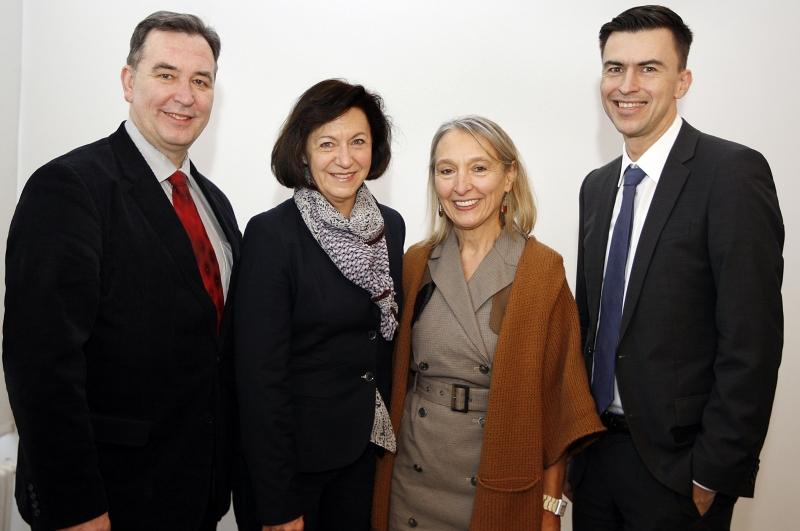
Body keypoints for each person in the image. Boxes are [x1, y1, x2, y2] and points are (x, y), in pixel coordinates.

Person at [2, 11, 240, 531]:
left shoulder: (215, 205)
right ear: (129, 82)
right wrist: (78, 510)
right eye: (165, 74)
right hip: (107, 502)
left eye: (201, 81)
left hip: (195, 494)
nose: (185, 95)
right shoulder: (69, 188)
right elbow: (40, 367)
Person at [570, 5, 784, 531]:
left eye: (650, 68)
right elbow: (591, 325)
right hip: (595, 459)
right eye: (615, 68)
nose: (628, 85)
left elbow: (751, 341)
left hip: (680, 471)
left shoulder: (731, 173)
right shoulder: (597, 188)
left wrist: (714, 472)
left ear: (683, 80)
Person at [371, 116, 603, 531]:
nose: (461, 186)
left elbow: (559, 403)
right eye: (447, 170)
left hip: (499, 484)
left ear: (509, 176)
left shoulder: (541, 270)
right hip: (412, 480)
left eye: (479, 168)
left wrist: (550, 508)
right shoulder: (415, 263)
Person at [233, 79, 404, 531]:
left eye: (358, 142)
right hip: (293, 468)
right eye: (327, 143)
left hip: (364, 452)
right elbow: (258, 378)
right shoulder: (272, 235)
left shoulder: (390, 227)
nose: (345, 159)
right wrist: (278, 503)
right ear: (303, 152)